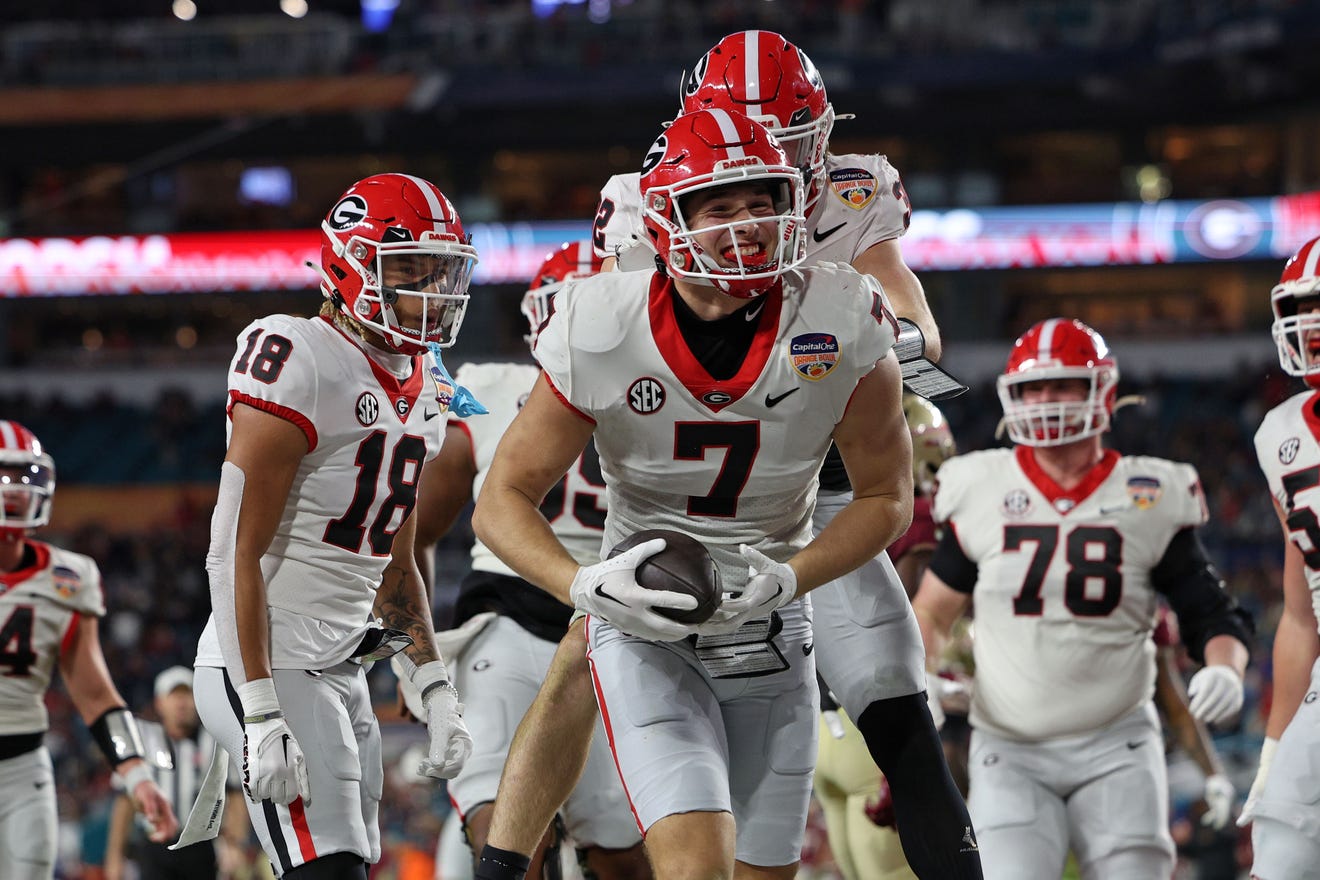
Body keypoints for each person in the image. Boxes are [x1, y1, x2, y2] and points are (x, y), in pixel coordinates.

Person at [478, 32, 980, 880]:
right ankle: (501, 864)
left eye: (793, 145)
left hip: (817, 479)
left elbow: (918, 329)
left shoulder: (848, 209)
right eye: (751, 155)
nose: (775, 169)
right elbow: (631, 339)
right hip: (684, 482)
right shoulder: (649, 203)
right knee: (585, 646)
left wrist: (851, 336)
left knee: (895, 694)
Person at [187, 173, 477, 879]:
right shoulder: (298, 354)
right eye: (408, 270)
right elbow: (233, 550)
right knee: (330, 866)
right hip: (267, 655)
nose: (430, 289)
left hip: (343, 664)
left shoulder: (428, 384)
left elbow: (396, 559)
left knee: (350, 861)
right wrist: (259, 708)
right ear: (350, 265)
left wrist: (432, 682)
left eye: (439, 271)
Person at [912, 318, 1254, 880]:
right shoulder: (982, 487)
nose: (1044, 400)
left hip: (1117, 743)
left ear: (1103, 390)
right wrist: (919, 671)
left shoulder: (1148, 493)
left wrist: (1226, 668)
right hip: (1010, 747)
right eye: (1031, 389)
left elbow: (1211, 612)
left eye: (1061, 385)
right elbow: (931, 610)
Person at [405, 241, 649, 879]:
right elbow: (414, 533)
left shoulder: (661, 396)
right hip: (509, 621)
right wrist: (418, 655)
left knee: (626, 854)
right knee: (507, 837)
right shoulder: (486, 392)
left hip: (617, 630)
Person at [0, 420, 178, 880]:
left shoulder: (68, 577)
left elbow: (95, 694)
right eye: (3, 476)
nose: (15, 491)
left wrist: (136, 775)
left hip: (22, 769)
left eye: (24, 478)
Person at [813, 394, 958, 880]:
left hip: (821, 715)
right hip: (872, 716)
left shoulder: (818, 503)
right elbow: (919, 617)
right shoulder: (915, 517)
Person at [1242, 233, 1320, 880]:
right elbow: (1300, 615)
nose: (1315, 323)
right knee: (1281, 847)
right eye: (1308, 305)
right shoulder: (1282, 434)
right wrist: (1274, 741)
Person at [105, 666, 249, 880]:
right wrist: (114, 856)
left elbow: (236, 795)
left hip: (203, 847)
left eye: (187, 695)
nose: (181, 703)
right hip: (155, 846)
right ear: (159, 703)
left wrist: (235, 844)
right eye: (174, 696)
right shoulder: (141, 741)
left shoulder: (215, 743)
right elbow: (124, 802)